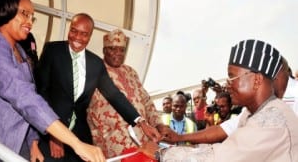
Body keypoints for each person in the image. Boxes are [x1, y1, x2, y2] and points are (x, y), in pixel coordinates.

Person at [142, 39, 298, 161]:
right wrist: (179, 138)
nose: (227, 85)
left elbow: (220, 158)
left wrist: (162, 153)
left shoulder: (272, 119)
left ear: (256, 80)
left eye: (232, 77)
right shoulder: (255, 111)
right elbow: (222, 133)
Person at [0, 0, 105, 162]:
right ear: (6, 9)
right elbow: (24, 98)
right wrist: (76, 144)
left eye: (33, 17)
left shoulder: (19, 50)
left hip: (18, 144)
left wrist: (33, 143)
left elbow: (31, 95)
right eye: (25, 14)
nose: (30, 22)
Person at [36, 15, 161, 161]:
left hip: (80, 137)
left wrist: (142, 123)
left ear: (90, 36)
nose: (77, 37)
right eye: (74, 31)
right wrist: (54, 134)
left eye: (84, 34)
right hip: (51, 131)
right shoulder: (53, 51)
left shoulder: (95, 63)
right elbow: (41, 91)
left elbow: (115, 95)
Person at [87, 29, 164, 158]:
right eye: (113, 49)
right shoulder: (94, 72)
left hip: (143, 140)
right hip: (114, 144)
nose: (118, 53)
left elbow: (146, 101)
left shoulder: (131, 72)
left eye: (122, 49)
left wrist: (158, 124)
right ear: (104, 50)